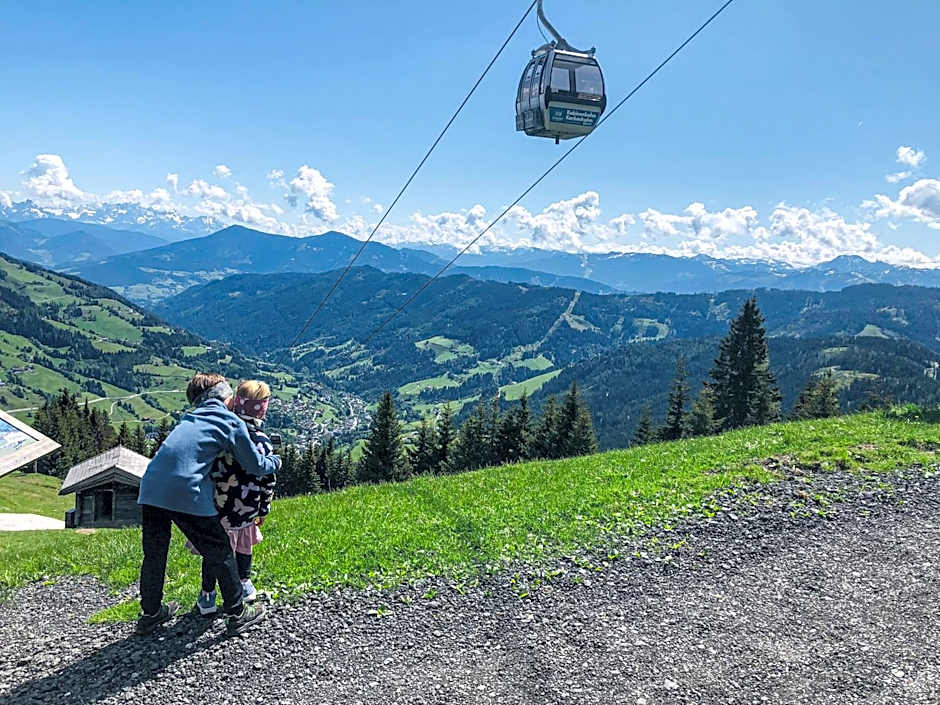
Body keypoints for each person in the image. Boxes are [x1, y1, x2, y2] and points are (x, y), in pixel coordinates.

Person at [136, 373, 281, 636]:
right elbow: (256, 465)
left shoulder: (189, 419)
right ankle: (238, 613)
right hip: (184, 490)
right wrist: (276, 462)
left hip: (151, 488)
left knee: (155, 554)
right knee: (219, 550)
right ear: (226, 397)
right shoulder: (228, 420)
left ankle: (150, 613)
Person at [192, 380, 277, 615]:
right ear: (262, 408)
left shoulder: (221, 432)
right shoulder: (261, 440)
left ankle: (207, 595)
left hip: (216, 507)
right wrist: (263, 509)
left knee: (213, 552)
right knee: (244, 547)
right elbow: (267, 479)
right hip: (246, 508)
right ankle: (244, 584)